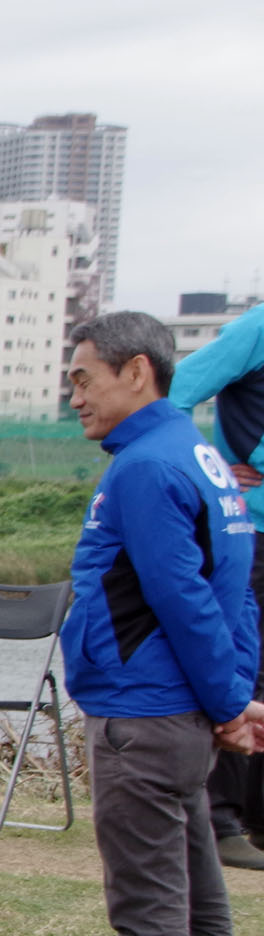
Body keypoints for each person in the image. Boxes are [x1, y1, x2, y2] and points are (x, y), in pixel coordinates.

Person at [17, 312, 264, 936]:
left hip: (144, 717)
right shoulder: (203, 460)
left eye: (84, 377)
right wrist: (232, 697)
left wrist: (228, 702)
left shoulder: (146, 469)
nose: (74, 394)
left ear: (135, 373)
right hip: (178, 713)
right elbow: (235, 595)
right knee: (198, 899)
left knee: (151, 908)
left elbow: (185, 599)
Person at [166, 304, 264, 869]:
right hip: (250, 528)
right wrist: (214, 466)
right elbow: (175, 393)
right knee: (238, 664)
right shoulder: (256, 330)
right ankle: (220, 818)